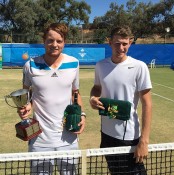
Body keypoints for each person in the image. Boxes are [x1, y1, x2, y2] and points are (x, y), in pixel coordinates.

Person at [17, 23, 86, 175]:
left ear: (64, 42)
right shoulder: (30, 65)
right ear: (44, 41)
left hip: (69, 137)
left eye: (59, 41)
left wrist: (82, 114)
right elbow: (25, 94)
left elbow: (76, 93)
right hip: (39, 139)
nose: (54, 45)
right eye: (50, 40)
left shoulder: (74, 63)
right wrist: (25, 106)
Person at [89, 25, 152, 175]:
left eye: (125, 43)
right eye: (117, 43)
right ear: (109, 42)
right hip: (106, 135)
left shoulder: (139, 67)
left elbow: (147, 104)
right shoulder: (100, 65)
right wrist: (93, 98)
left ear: (130, 42)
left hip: (129, 138)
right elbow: (97, 88)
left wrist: (144, 140)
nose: (121, 48)